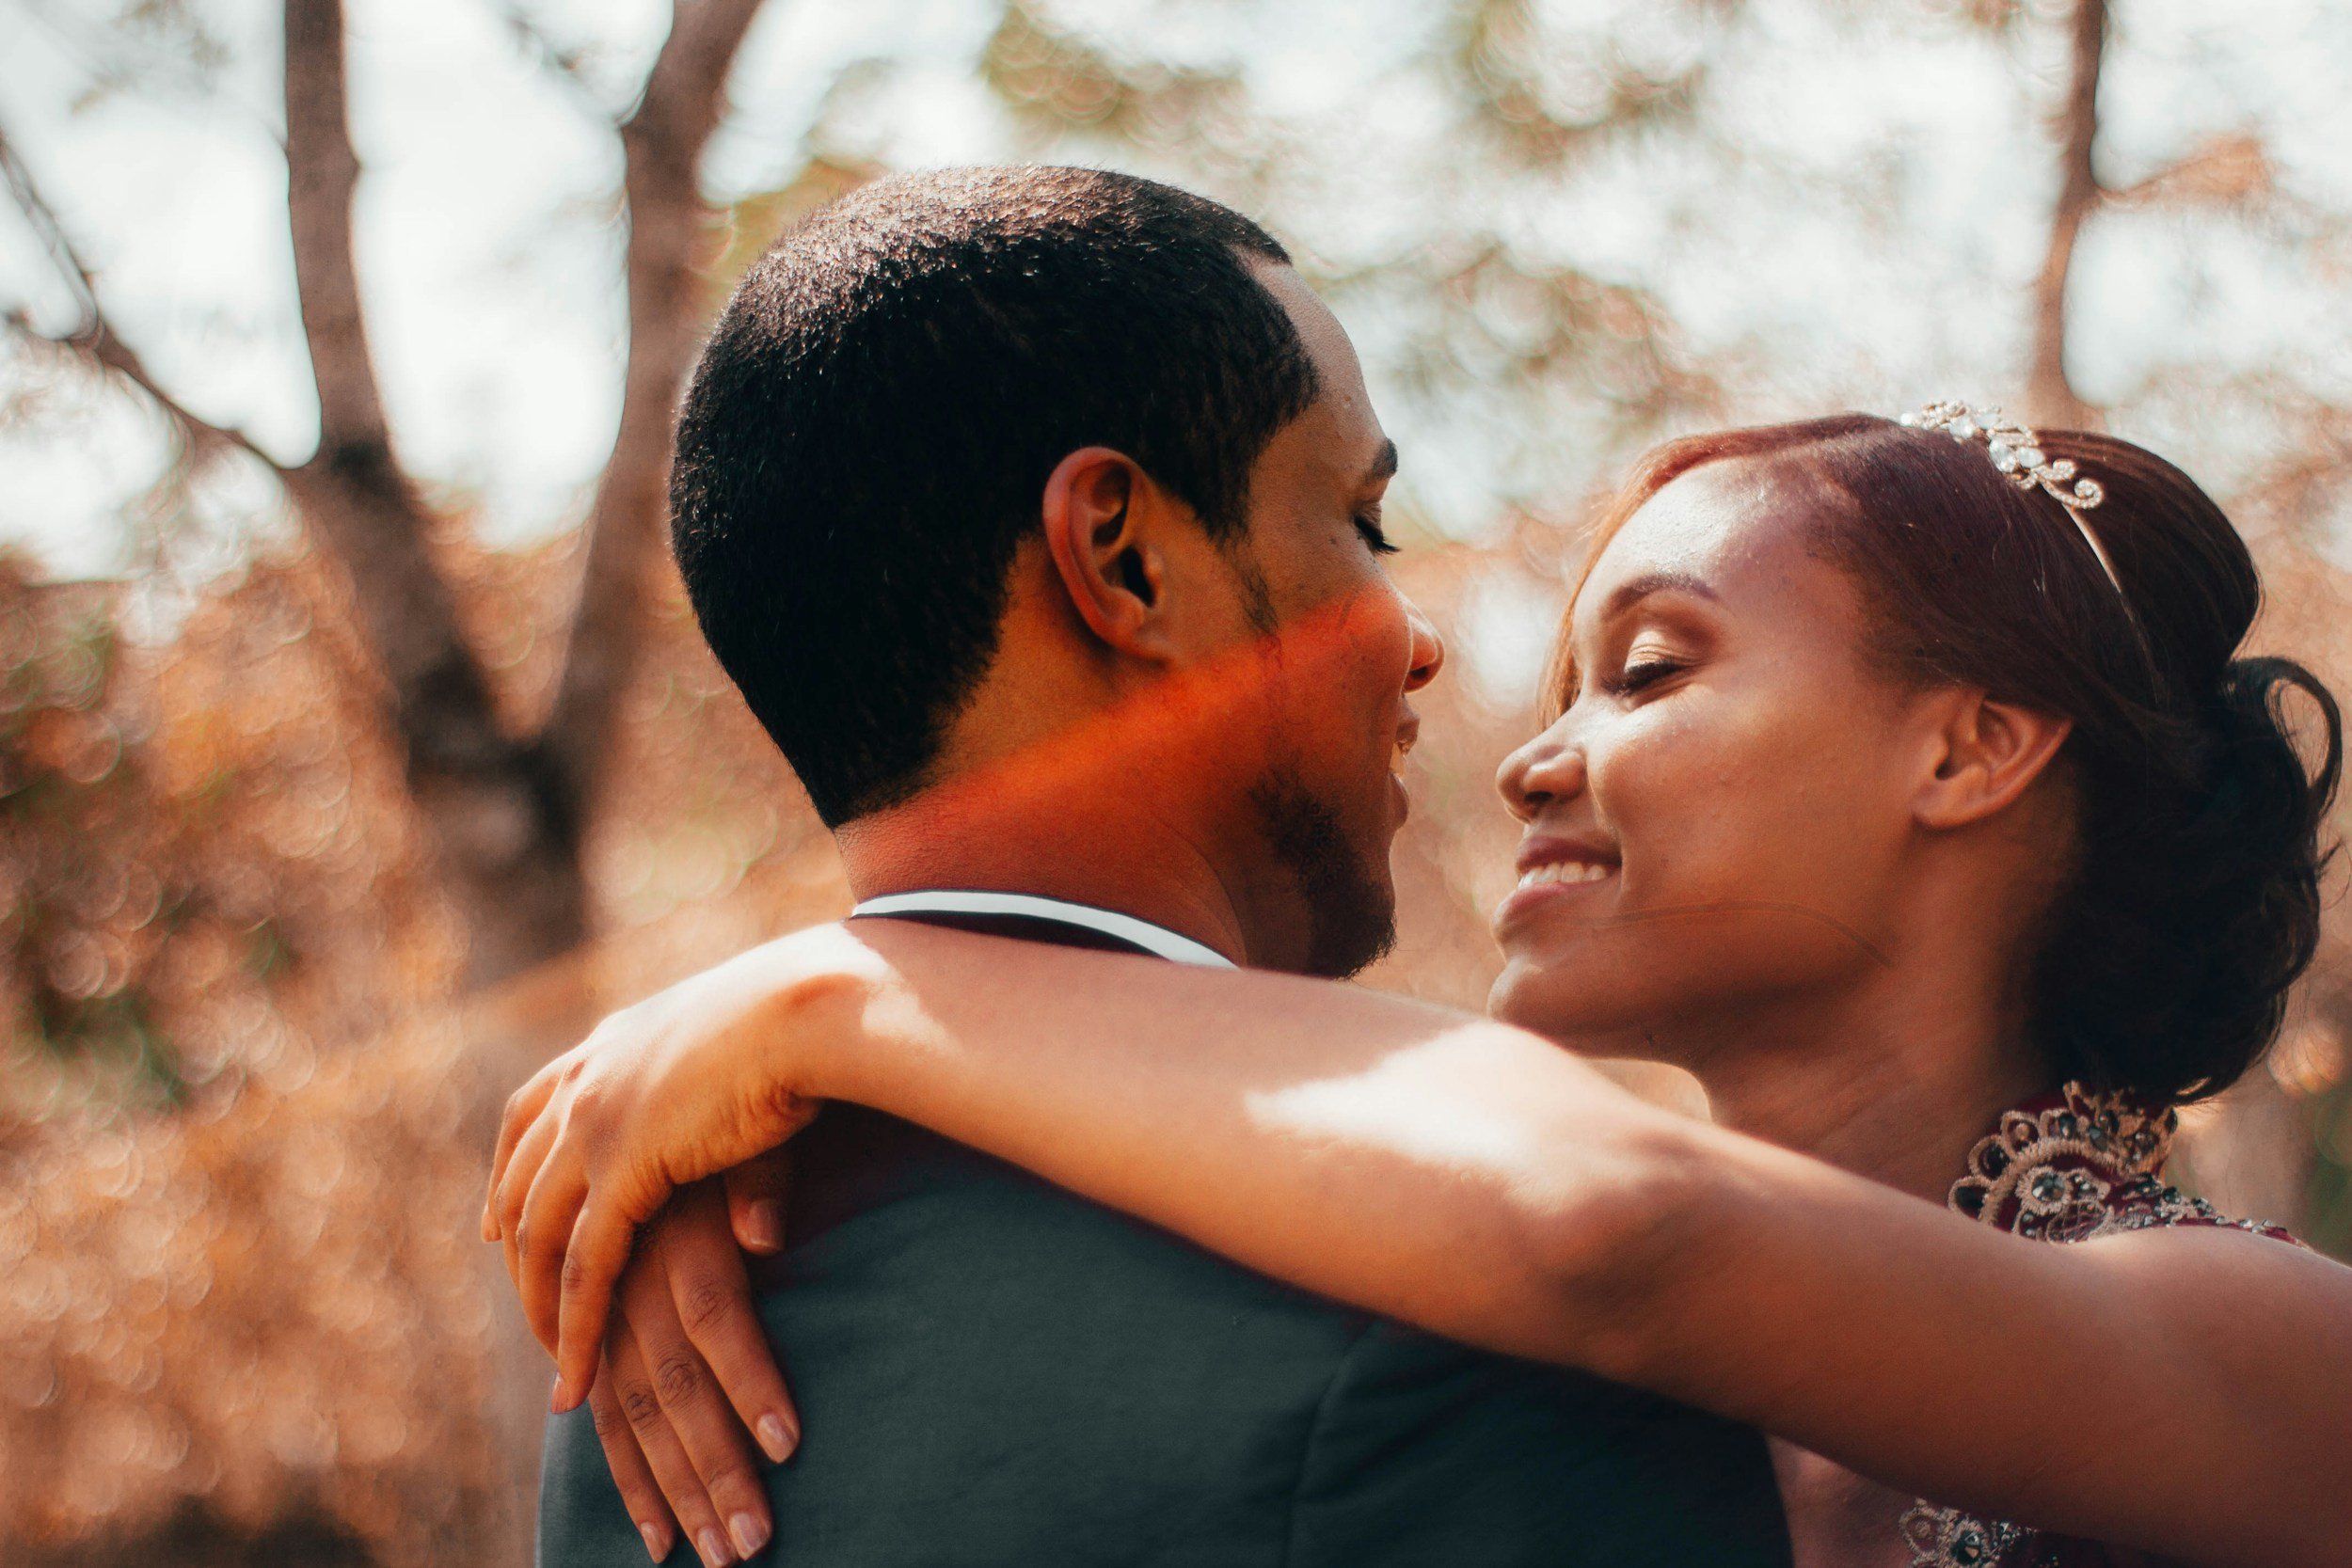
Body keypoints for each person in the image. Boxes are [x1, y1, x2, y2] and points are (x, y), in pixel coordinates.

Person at [491, 404, 2352, 1568]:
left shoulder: (2276, 1352)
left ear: (1965, 752)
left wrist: (848, 997)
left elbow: (1618, 1232)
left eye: (1648, 669)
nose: (1531, 762)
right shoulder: (1437, 1305)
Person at [508, 165, 1799, 1568]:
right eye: (1361, 524)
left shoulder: (637, 1362)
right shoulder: (1475, 1273)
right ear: (1121, 562)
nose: (1415, 638)